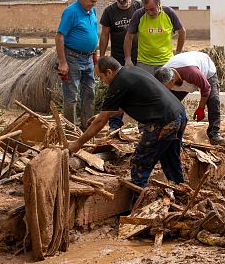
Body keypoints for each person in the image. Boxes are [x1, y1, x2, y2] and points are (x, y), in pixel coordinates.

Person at [68, 56, 187, 194]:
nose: (101, 81)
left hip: (163, 122)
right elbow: (130, 103)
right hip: (179, 114)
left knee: (140, 162)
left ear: (109, 72)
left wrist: (78, 143)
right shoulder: (132, 71)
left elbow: (101, 122)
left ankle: (138, 203)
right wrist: (105, 114)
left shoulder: (118, 83)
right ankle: (181, 193)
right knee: (170, 158)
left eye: (101, 77)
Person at [154, 51, 225, 145]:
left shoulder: (192, 73)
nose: (166, 90)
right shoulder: (164, 74)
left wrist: (201, 108)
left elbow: (206, 88)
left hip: (205, 70)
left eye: (166, 87)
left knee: (214, 101)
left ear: (172, 81)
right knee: (169, 105)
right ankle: (160, 132)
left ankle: (214, 134)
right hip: (182, 76)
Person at [56, 0, 100, 129]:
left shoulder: (91, 10)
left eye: (95, 1)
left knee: (90, 93)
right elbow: (59, 36)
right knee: (72, 95)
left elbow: (93, 33)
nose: (94, 4)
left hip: (88, 59)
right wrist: (62, 62)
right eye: (91, 1)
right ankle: (71, 129)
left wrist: (95, 55)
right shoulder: (71, 12)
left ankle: (87, 127)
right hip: (73, 57)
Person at [99, 0, 141, 131]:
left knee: (139, 88)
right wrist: (102, 57)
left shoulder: (139, 7)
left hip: (139, 56)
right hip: (118, 58)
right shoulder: (109, 11)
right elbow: (104, 35)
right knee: (116, 90)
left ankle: (142, 122)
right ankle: (115, 125)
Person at [124, 0, 186, 75]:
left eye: (152, 9)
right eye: (146, 10)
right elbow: (129, 37)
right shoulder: (139, 14)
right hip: (144, 63)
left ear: (159, 4)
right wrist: (128, 58)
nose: (149, 13)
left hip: (166, 62)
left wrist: (178, 53)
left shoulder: (169, 13)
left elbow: (182, 32)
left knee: (165, 88)